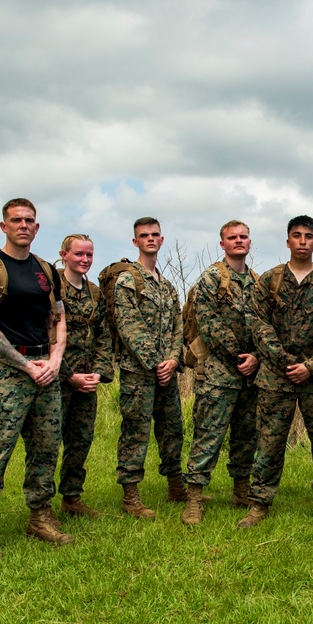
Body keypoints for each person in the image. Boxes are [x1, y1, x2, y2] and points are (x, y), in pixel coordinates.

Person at [0, 198, 71, 561]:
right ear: (4, 226)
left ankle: (40, 516)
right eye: (16, 220)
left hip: (45, 368)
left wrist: (55, 358)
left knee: (45, 448)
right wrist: (27, 366)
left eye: (29, 220)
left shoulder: (45, 270)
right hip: (6, 373)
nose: (23, 225)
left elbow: (58, 317)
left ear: (37, 228)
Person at [239, 215, 313, 529]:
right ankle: (259, 503)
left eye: (308, 236)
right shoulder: (269, 280)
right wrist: (287, 363)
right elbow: (259, 326)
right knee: (269, 441)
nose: (302, 241)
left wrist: (310, 367)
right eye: (296, 235)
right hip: (276, 376)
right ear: (288, 242)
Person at [181, 220, 261, 525]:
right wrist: (239, 354)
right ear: (223, 244)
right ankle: (194, 499)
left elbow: (265, 323)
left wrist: (256, 356)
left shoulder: (257, 281)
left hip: (251, 374)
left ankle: (242, 490)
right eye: (232, 237)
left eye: (243, 237)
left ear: (249, 243)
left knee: (246, 435)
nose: (239, 241)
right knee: (208, 435)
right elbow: (209, 323)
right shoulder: (211, 279)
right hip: (218, 373)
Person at [114, 216, 185, 519]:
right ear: (135, 242)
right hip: (138, 373)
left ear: (162, 239)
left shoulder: (167, 286)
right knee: (136, 432)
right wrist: (157, 363)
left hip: (166, 372)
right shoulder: (128, 281)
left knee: (172, 429)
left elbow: (178, 326)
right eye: (144, 235)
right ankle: (131, 495)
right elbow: (129, 326)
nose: (150, 239)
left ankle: (176, 486)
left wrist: (173, 359)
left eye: (155, 234)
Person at [55, 234, 114, 518]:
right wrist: (69, 375)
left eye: (89, 255)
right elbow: (47, 335)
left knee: (80, 441)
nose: (85, 260)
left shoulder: (95, 292)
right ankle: (40, 507)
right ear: (64, 254)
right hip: (57, 379)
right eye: (79, 254)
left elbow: (104, 335)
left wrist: (99, 373)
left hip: (87, 381)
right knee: (48, 443)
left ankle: (72, 498)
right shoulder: (53, 288)